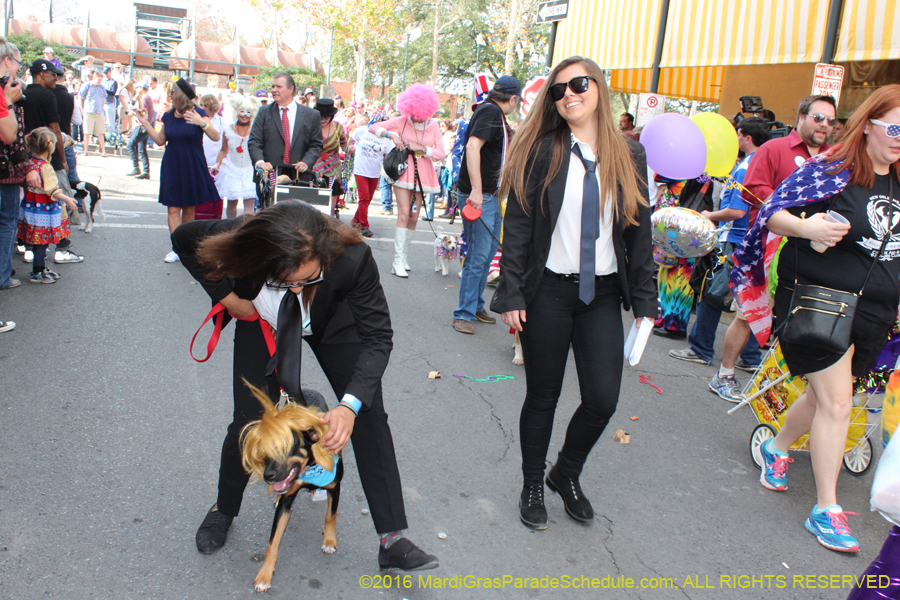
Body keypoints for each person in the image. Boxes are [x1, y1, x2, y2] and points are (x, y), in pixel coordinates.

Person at [172, 201, 439, 571]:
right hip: (262, 321)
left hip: (330, 324)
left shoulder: (352, 256)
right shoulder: (241, 234)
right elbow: (183, 240)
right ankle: (224, 508)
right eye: (285, 281)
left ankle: (392, 538)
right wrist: (227, 297)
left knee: (368, 412)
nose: (296, 289)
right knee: (247, 420)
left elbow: (378, 338)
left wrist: (348, 406)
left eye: (307, 279)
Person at [732, 84, 900, 554]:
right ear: (868, 123)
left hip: (875, 312)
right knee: (838, 404)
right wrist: (807, 227)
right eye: (896, 126)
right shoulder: (831, 171)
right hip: (819, 300)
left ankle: (777, 447)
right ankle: (826, 509)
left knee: (825, 395)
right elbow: (771, 213)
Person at [493, 56, 655, 530]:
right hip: (548, 293)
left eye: (579, 84)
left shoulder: (630, 154)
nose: (569, 95)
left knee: (603, 399)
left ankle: (565, 472)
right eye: (559, 90)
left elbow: (638, 233)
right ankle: (530, 484)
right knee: (542, 395)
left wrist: (646, 302)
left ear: (599, 88)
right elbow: (518, 226)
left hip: (601, 295)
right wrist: (513, 293)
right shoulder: (542, 150)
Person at [668, 117, 770, 400]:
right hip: (758, 243)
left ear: (745, 137)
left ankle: (700, 348)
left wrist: (709, 216)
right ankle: (748, 356)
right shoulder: (766, 164)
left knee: (710, 294)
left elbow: (737, 211)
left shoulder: (745, 168)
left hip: (735, 240)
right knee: (747, 305)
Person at [451, 76, 521, 334]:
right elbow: (472, 147)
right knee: (479, 255)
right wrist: (477, 191)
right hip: (481, 195)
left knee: (487, 252)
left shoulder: (492, 112)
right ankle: (464, 313)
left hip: (490, 195)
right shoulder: (491, 111)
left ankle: (474, 305)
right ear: (513, 99)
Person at [134, 78, 220, 263]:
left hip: (192, 164)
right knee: (173, 209)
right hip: (172, 164)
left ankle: (187, 247)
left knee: (189, 209)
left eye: (172, 92)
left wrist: (201, 122)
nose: (170, 95)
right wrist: (145, 123)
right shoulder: (169, 115)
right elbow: (159, 140)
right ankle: (177, 248)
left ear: (180, 94)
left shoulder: (199, 113)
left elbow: (215, 136)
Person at [368, 84, 445, 278]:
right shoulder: (401, 121)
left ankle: (403, 257)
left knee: (413, 216)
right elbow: (372, 127)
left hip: (423, 173)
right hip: (403, 171)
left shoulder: (434, 126)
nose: (419, 116)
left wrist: (421, 148)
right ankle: (397, 260)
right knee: (403, 213)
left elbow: (440, 153)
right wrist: (391, 135)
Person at [21, 59, 83, 264]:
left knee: (30, 204)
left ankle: (29, 248)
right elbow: (55, 130)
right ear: (40, 74)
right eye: (52, 74)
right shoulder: (48, 95)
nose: (56, 78)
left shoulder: (22, 94)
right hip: (49, 158)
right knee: (61, 202)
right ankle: (62, 248)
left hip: (27, 158)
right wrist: (64, 159)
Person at [19, 128, 79, 283]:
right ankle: (37, 271)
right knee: (42, 242)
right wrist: (67, 199)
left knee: (35, 239)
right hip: (44, 210)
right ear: (50, 146)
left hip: (31, 207)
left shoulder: (30, 164)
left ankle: (39, 268)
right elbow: (52, 189)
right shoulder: (46, 167)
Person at [0, 39, 35, 293]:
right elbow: (12, 136)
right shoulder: (8, 90)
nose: (18, 68)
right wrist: (27, 168)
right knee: (6, 222)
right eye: (17, 62)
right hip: (6, 172)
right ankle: (2, 274)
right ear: (6, 61)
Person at [248, 72, 323, 191]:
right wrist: (260, 162)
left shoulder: (311, 115)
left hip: (299, 178)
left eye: (278, 86)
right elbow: (254, 141)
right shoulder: (264, 112)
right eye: (273, 86)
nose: (274, 90)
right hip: (270, 176)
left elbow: (316, 144)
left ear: (290, 89)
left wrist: (306, 162)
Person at [214, 94, 259, 218]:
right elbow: (223, 150)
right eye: (241, 111)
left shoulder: (256, 130)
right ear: (236, 112)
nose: (245, 115)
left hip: (249, 170)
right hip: (231, 170)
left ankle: (246, 232)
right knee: (231, 204)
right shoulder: (228, 129)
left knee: (249, 205)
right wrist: (217, 164)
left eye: (248, 112)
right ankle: (231, 229)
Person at [350, 114, 392, 236]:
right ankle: (364, 225)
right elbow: (350, 139)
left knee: (367, 199)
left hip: (374, 171)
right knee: (364, 198)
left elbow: (389, 154)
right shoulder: (363, 130)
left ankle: (355, 220)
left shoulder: (386, 137)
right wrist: (349, 147)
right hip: (360, 169)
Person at [312, 98, 349, 217]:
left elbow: (345, 146)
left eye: (326, 117)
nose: (323, 120)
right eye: (320, 117)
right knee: (314, 205)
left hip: (334, 172)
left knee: (330, 208)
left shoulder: (338, 127)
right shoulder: (310, 127)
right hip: (314, 171)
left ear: (331, 116)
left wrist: (349, 150)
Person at [126, 82, 153, 179]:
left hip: (142, 126)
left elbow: (143, 113)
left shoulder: (145, 98)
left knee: (130, 144)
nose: (136, 89)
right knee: (142, 149)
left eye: (137, 88)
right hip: (145, 126)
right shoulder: (147, 98)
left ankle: (136, 167)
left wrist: (134, 112)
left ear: (141, 88)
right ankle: (146, 171)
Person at [79, 71, 106, 155]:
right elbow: (80, 96)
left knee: (101, 132)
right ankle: (85, 150)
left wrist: (102, 108)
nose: (99, 82)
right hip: (89, 111)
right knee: (87, 132)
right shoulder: (87, 85)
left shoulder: (102, 87)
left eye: (100, 80)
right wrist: (82, 109)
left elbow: (103, 98)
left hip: (99, 112)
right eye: (98, 80)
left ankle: (103, 151)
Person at [101, 66, 118, 138]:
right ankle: (101, 135)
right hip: (102, 102)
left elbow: (113, 92)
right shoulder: (102, 81)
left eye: (106, 73)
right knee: (101, 119)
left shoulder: (113, 82)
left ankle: (112, 135)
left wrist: (105, 90)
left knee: (110, 120)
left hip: (109, 102)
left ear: (110, 72)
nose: (105, 74)